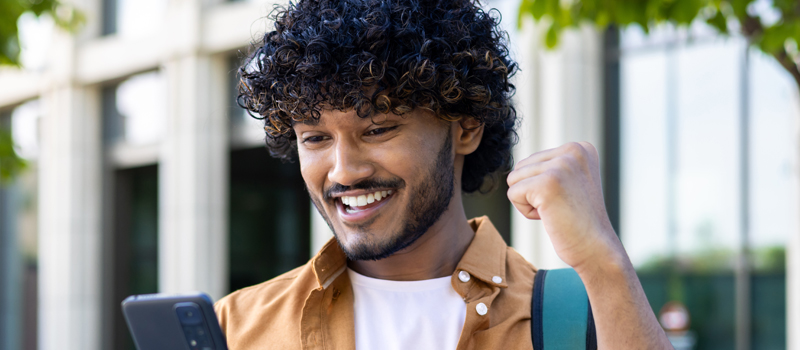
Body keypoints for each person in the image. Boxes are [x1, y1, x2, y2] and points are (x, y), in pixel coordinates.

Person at [214, 0, 672, 348]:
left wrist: (603, 262)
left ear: (466, 128)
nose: (344, 170)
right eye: (315, 138)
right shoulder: (234, 326)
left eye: (377, 129)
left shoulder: (580, 317)